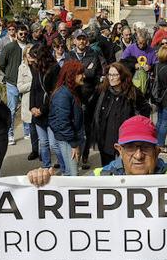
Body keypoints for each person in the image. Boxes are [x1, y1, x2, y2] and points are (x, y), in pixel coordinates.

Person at [27, 116, 167, 184]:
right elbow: (68, 196)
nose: (138, 155)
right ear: (119, 149)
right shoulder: (101, 177)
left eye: (145, 147)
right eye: (130, 148)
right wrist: (45, 183)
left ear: (158, 151)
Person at [90, 61, 152, 167]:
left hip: (126, 137)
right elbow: (92, 111)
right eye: (109, 75)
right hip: (106, 137)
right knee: (107, 168)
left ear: (122, 76)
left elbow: (145, 109)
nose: (111, 78)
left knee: (126, 167)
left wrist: (137, 126)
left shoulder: (132, 92)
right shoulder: (103, 91)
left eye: (115, 75)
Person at [66, 29, 106, 169]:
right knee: (75, 126)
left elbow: (95, 73)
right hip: (74, 97)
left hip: (90, 97)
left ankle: (85, 156)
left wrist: (84, 71)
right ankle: (74, 154)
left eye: (84, 39)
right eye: (79, 39)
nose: (82, 41)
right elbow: (69, 74)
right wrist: (85, 70)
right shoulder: (69, 55)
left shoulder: (92, 54)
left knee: (88, 128)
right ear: (74, 41)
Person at [46, 60, 85, 176]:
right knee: (73, 175)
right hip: (69, 141)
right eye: (80, 73)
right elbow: (62, 122)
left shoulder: (72, 91)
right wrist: (74, 144)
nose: (84, 76)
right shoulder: (62, 95)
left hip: (72, 138)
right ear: (72, 75)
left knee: (70, 172)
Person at [27, 44, 58, 166]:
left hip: (49, 112)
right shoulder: (36, 68)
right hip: (37, 112)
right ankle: (46, 166)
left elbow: (53, 93)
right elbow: (33, 89)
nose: (32, 60)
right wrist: (32, 107)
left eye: (34, 57)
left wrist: (42, 109)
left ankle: (65, 167)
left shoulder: (54, 69)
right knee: (43, 143)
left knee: (53, 144)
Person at [0, 23, 28, 145]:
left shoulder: (29, 47)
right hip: (12, 82)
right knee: (11, 109)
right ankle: (10, 134)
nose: (23, 36)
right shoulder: (9, 47)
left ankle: (27, 131)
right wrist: (9, 74)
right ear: (16, 34)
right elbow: (2, 63)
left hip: (26, 82)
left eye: (25, 34)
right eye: (21, 33)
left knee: (26, 108)